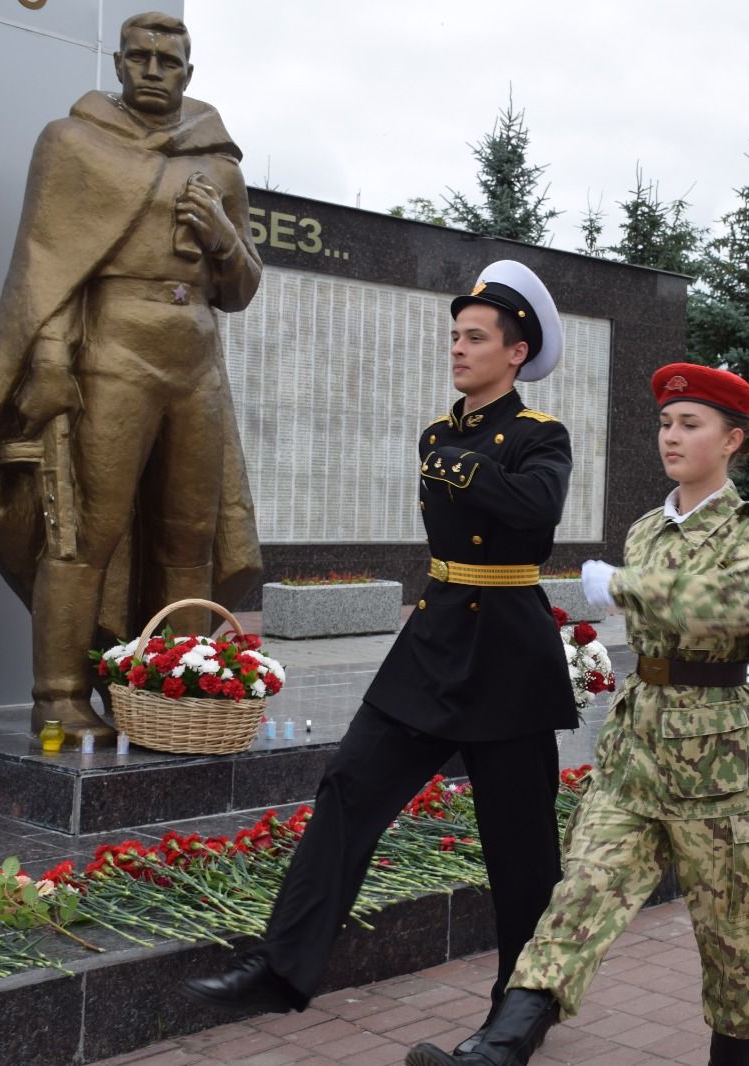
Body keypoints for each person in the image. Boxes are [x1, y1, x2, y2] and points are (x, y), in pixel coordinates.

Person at [184, 260, 579, 1055]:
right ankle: (284, 966)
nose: (459, 350)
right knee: (348, 785)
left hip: (506, 651)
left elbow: (536, 517)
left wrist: (473, 471)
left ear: (516, 351)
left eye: (475, 339)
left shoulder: (541, 437)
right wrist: (459, 461)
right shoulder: (436, 434)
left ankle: (520, 1013)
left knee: (521, 846)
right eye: (455, 337)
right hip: (434, 643)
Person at [405, 363, 749, 1066]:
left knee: (731, 938)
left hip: (722, 760)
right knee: (580, 894)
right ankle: (498, 1050)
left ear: (733, 439)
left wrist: (626, 584)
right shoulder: (648, 526)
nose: (671, 436)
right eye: (666, 424)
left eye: (691, 424)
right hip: (637, 750)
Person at [0, 11, 264, 739]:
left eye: (169, 61)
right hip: (111, 351)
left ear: (189, 74)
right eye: (140, 58)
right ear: (119, 64)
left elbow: (243, 286)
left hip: (194, 358)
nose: (153, 71)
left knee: (190, 536)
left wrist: (224, 239)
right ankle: (59, 697)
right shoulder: (72, 144)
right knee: (83, 532)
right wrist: (49, 361)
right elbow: (46, 270)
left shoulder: (219, 164)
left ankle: (177, 683)